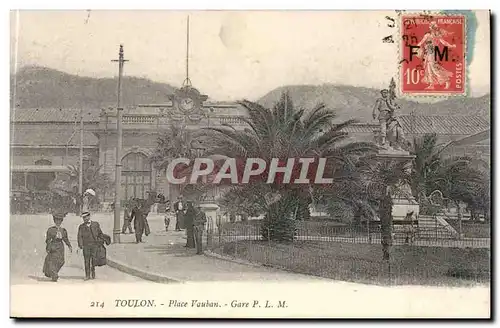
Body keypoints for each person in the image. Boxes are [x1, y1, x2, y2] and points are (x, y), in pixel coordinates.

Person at [43, 211, 72, 282]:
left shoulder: (63, 230)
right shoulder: (50, 230)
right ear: (54, 221)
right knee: (52, 261)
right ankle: (54, 275)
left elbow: (65, 239)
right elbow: (48, 240)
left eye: (59, 220)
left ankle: (54, 273)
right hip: (53, 246)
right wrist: (48, 247)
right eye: (56, 220)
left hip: (61, 247)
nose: (58, 222)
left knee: (61, 261)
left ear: (61, 221)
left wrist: (69, 246)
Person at [77, 211, 104, 280]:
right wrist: (80, 245)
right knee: (86, 260)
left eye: (86, 217)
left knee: (94, 260)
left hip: (94, 245)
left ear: (89, 216)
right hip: (86, 246)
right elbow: (79, 236)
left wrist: (100, 241)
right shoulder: (81, 226)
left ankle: (93, 272)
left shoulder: (95, 224)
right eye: (83, 218)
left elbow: (100, 233)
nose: (85, 219)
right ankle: (87, 275)